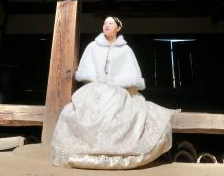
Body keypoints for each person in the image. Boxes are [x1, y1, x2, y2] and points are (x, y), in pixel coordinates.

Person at [51, 16, 176, 169]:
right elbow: (86, 69)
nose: (106, 25)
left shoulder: (125, 50)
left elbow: (132, 75)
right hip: (95, 88)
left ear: (118, 28)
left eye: (110, 23)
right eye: (104, 23)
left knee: (126, 109)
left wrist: (120, 84)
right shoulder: (92, 46)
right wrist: (98, 80)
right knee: (73, 111)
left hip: (119, 90)